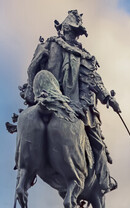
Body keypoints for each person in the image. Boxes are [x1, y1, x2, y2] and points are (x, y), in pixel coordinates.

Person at [22, 10, 120, 194]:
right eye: (74, 32)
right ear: (70, 31)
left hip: (47, 98)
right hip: (74, 105)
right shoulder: (82, 55)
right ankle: (105, 181)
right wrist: (108, 98)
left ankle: (26, 173)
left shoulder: (49, 45)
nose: (73, 35)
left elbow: (34, 69)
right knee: (97, 143)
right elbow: (94, 81)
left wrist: (34, 92)